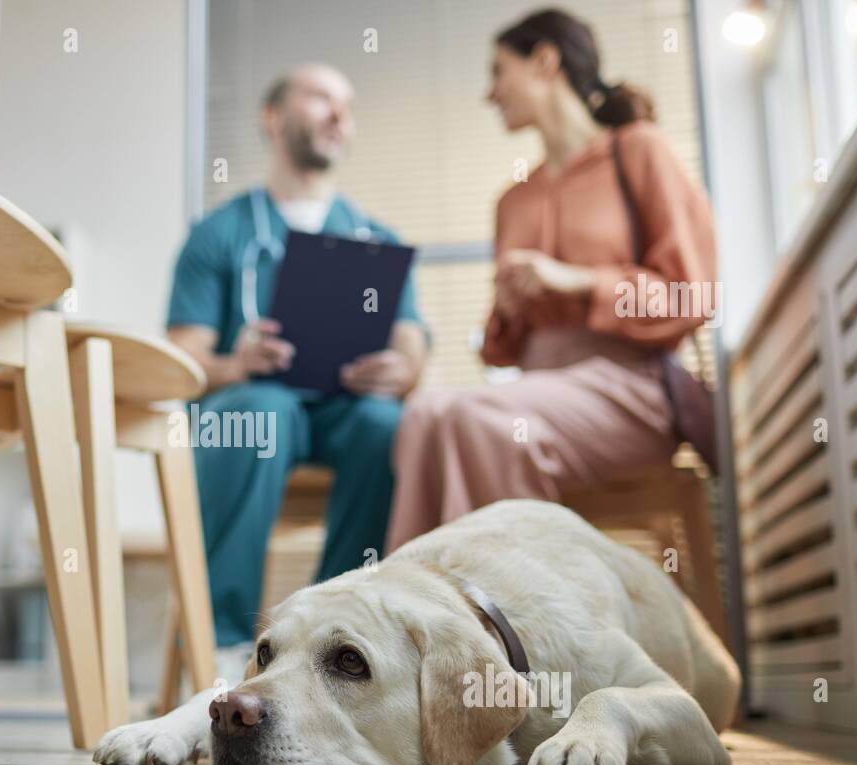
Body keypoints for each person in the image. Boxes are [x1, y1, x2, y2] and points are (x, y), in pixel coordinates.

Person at [386, 8, 717, 552]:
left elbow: (692, 294)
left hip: (627, 388)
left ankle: (508, 619)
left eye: (498, 72)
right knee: (422, 413)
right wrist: (510, 311)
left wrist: (578, 282)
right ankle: (409, 621)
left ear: (545, 61)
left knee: (476, 419)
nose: (489, 93)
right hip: (535, 388)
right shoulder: (512, 201)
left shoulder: (639, 151)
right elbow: (499, 351)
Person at [167, 63, 428, 650]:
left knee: (385, 424)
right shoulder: (219, 234)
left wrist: (401, 370)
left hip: (345, 412)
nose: (339, 115)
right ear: (272, 118)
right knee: (259, 410)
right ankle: (223, 640)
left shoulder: (374, 238)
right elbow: (183, 357)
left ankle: (335, 634)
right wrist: (236, 363)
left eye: (347, 104)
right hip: (251, 410)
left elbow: (410, 338)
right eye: (319, 98)